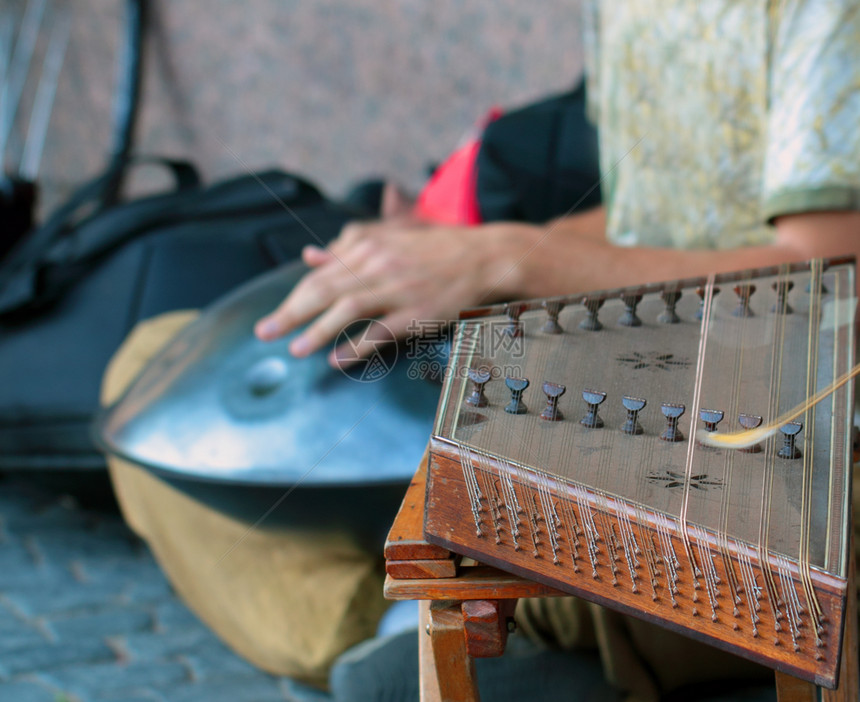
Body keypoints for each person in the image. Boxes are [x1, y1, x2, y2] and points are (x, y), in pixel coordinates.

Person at [250, 1, 860, 700]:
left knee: (386, 676)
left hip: (779, 478)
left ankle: (424, 640)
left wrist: (513, 254)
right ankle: (415, 633)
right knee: (152, 383)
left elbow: (829, 287)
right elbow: (649, 214)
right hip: (636, 384)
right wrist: (448, 253)